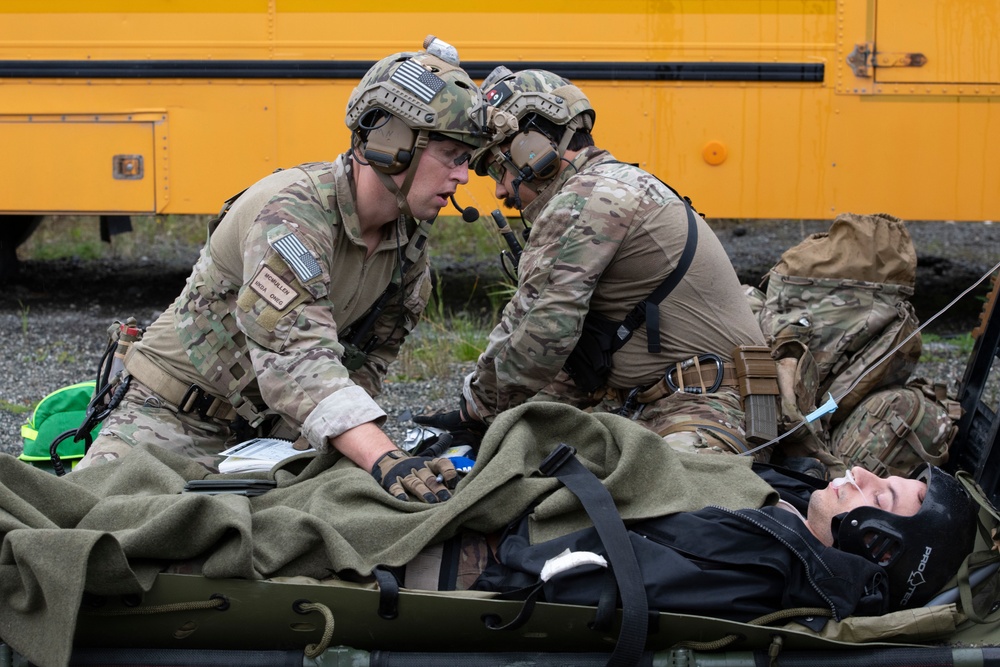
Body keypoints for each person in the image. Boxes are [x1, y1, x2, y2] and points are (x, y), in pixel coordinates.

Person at [75, 38, 500, 503]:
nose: (463, 177)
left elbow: (363, 367)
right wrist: (384, 457)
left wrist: (364, 456)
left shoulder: (408, 250)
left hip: (270, 438)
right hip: (167, 419)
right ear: (392, 143)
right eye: (453, 157)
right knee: (104, 537)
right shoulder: (291, 210)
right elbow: (295, 355)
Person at [416, 66, 771, 460]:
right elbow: (575, 356)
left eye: (499, 167)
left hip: (703, 410)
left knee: (643, 508)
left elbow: (540, 331)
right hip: (672, 400)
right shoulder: (615, 184)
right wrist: (498, 415)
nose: (500, 190)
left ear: (532, 148)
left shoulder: (588, 198)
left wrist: (475, 409)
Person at [477, 459, 981, 618]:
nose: (860, 472)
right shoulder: (791, 520)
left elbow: (568, 573)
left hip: (486, 548)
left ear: (881, 544)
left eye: (884, 492)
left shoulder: (765, 566)